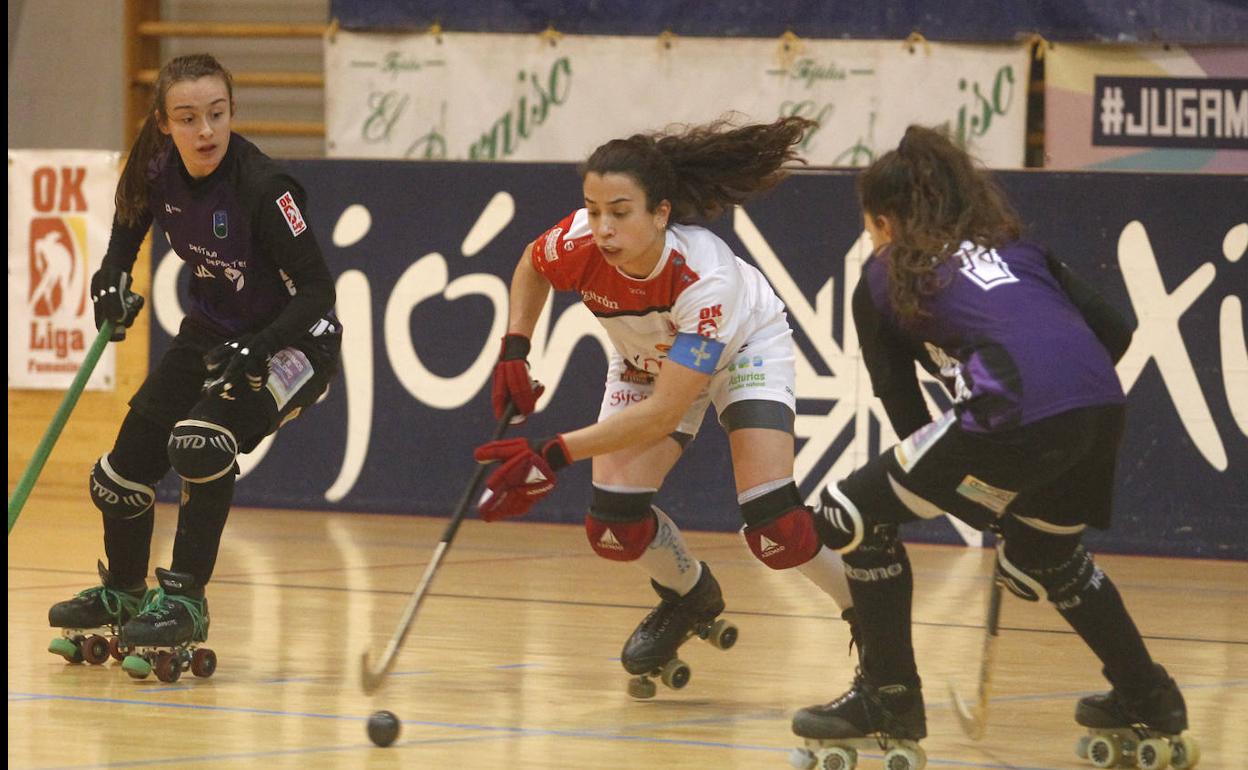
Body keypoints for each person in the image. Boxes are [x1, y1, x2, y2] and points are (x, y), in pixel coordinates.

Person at [792, 125, 1193, 767]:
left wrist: (972, 489)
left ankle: (888, 696)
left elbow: (902, 406)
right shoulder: (1017, 248)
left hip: (1013, 412)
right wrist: (994, 490)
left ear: (884, 221)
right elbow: (1114, 333)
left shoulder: (886, 269)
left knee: (850, 514)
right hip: (1099, 407)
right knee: (1048, 554)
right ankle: (1150, 696)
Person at [473, 116, 857, 698]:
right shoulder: (580, 240)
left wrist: (552, 452)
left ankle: (870, 618)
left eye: (619, 211)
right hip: (643, 362)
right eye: (593, 208)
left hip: (743, 351)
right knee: (613, 529)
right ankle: (690, 595)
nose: (601, 227)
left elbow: (664, 411)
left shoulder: (705, 277)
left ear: (660, 213)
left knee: (775, 525)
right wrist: (513, 349)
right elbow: (532, 263)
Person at [47, 54, 341, 682]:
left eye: (217, 114)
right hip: (212, 332)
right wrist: (111, 275)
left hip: (295, 343)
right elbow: (130, 218)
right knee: (118, 477)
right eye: (188, 118)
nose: (205, 131)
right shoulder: (154, 163)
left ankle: (184, 599)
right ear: (163, 125)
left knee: (201, 444)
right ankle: (124, 592)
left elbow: (318, 291)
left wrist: (260, 349)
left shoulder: (266, 187)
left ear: (231, 113)